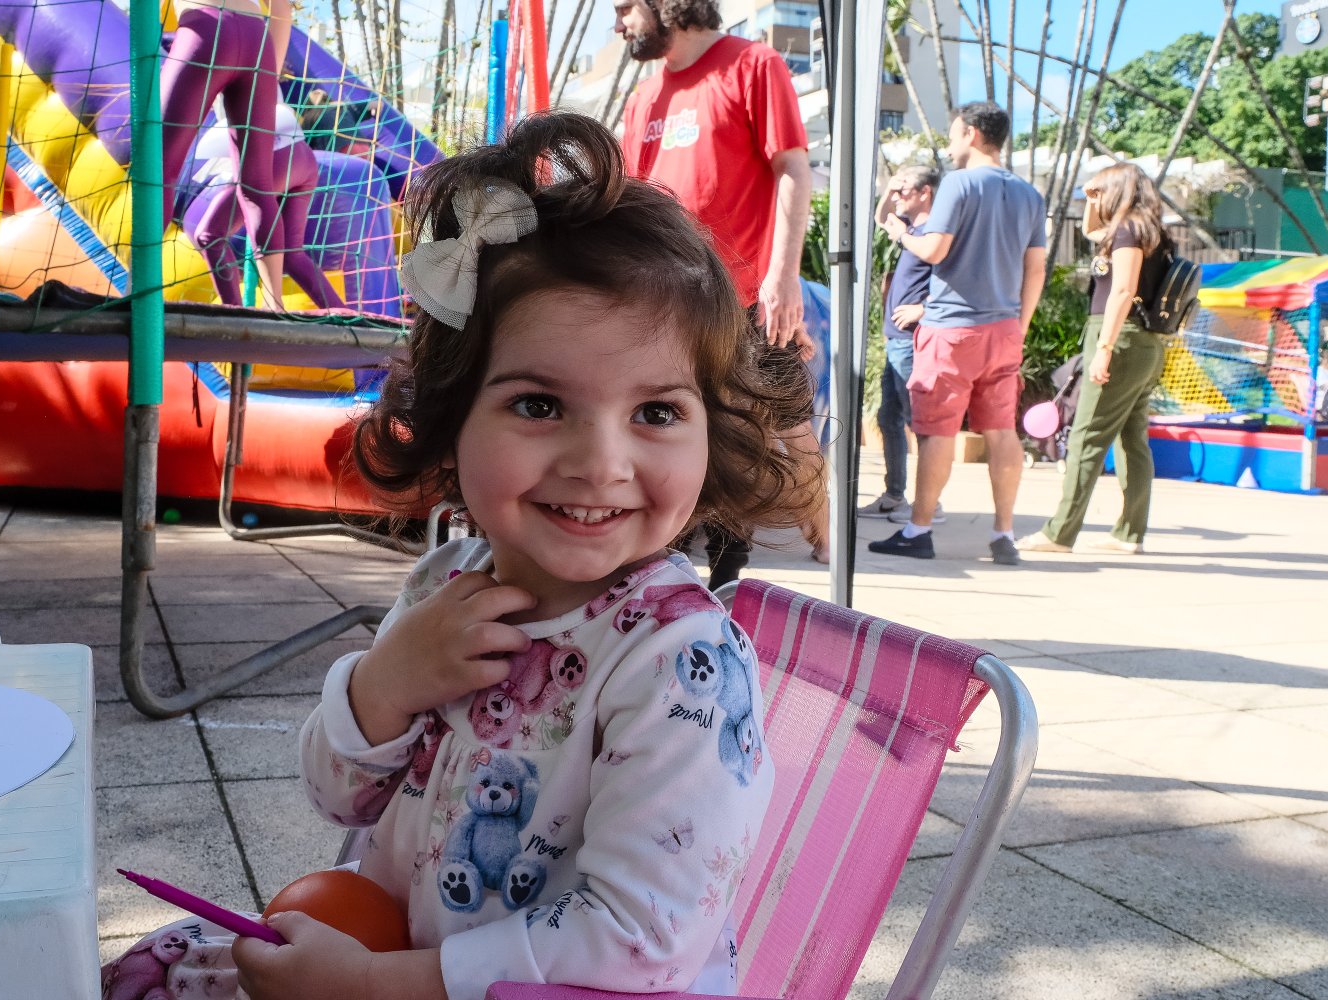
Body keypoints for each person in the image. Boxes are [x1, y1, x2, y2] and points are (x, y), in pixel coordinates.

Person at [99, 112, 817, 1000]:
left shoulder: (680, 666)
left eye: (657, 412)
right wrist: (383, 685)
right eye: (540, 405)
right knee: (150, 967)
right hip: (394, 946)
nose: (601, 463)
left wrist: (374, 985)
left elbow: (639, 943)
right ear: (450, 420)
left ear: (713, 433)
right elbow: (337, 798)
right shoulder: (448, 583)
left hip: (533, 991)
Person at [615, 0, 829, 580]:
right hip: (665, 303)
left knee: (770, 423)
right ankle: (674, 566)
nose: (619, 22)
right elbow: (632, 201)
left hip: (745, 295)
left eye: (626, 6)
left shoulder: (753, 65)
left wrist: (783, 277)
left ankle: (811, 542)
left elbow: (793, 169)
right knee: (677, 427)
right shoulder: (642, 99)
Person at [869, 101, 1047, 566]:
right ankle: (1003, 534)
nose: (949, 145)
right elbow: (1036, 268)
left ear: (971, 133)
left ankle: (919, 530)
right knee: (1001, 430)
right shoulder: (1030, 194)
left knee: (937, 431)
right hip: (1004, 328)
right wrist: (1020, 326)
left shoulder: (959, 184)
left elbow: (934, 249)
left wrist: (901, 234)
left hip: (951, 328)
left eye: (953, 135)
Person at [1018, 163, 1171, 555]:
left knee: (1086, 436)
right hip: (1143, 342)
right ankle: (1129, 533)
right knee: (1133, 441)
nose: (1095, 199)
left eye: (1099, 192)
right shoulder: (1148, 230)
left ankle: (1059, 532)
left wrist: (1103, 348)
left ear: (1117, 191)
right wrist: (1089, 199)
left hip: (1119, 338)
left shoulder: (1128, 230)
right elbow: (1090, 230)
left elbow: (1123, 290)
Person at [161, 0, 292, 310]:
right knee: (257, 186)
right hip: (256, 39)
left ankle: (138, 288)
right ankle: (275, 305)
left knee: (158, 170)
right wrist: (267, 74)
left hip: (204, 27)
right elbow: (283, 7)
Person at [183, 102, 347, 310]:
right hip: (303, 159)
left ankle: (236, 313)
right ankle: (343, 313)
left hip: (274, 158)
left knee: (209, 235)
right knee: (293, 254)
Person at [861, 164, 944, 524]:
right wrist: (888, 188)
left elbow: (953, 277)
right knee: (889, 418)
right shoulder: (911, 229)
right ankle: (895, 495)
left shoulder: (934, 234)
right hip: (897, 342)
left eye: (904, 189)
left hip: (914, 342)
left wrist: (924, 309)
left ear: (925, 192)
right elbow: (882, 218)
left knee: (918, 422)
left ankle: (930, 504)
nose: (897, 196)